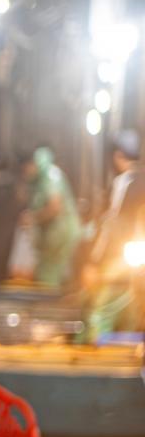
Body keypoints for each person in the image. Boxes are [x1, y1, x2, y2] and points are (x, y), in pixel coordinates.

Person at [83, 131, 145, 339]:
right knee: (133, 313)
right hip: (133, 264)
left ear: (118, 156)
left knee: (100, 312)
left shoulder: (123, 183)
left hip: (120, 262)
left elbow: (110, 226)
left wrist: (93, 262)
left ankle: (100, 355)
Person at [21, 146, 82, 290]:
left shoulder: (50, 176)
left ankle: (49, 307)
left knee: (50, 276)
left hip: (60, 235)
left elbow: (55, 206)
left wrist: (33, 217)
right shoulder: (42, 180)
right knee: (47, 273)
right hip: (53, 236)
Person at [0, 153, 24, 286]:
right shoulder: (14, 183)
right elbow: (21, 202)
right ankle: (0, 283)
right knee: (4, 256)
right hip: (10, 226)